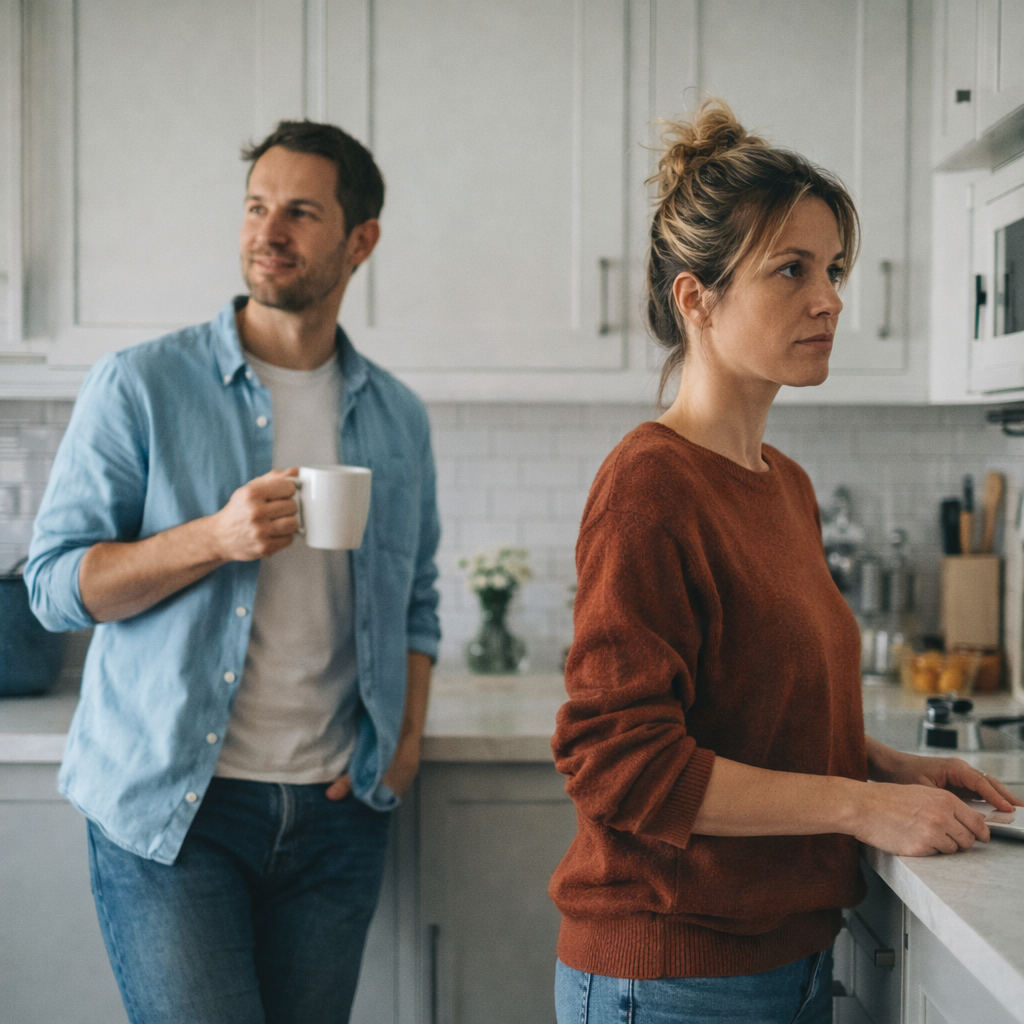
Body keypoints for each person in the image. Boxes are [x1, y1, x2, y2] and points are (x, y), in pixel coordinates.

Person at [549, 100, 1022, 1024]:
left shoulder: (784, 484)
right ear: (698, 298)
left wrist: (886, 769)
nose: (831, 297)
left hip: (782, 962)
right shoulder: (650, 484)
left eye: (835, 268)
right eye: (792, 269)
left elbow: (755, 714)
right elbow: (621, 764)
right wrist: (857, 807)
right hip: (670, 976)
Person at [25, 120, 441, 1024]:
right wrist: (212, 538)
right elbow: (55, 586)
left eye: (300, 211)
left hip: (337, 816)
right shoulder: (139, 385)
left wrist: (401, 748)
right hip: (176, 814)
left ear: (360, 239)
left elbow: (417, 601)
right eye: (257, 207)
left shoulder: (398, 418)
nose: (268, 232)